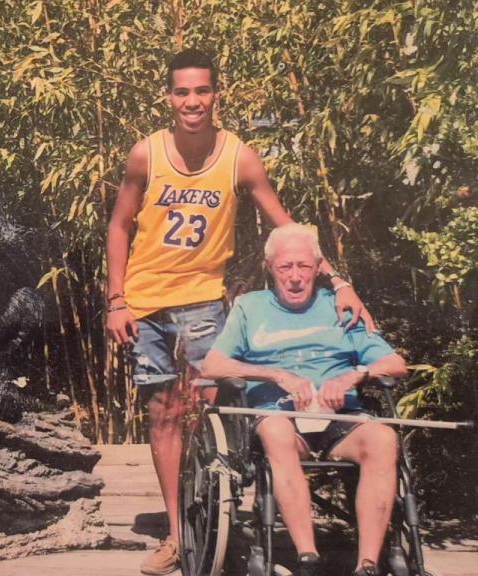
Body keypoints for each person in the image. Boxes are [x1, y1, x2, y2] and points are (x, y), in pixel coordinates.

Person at [104, 48, 375, 575]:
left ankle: (224, 515)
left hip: (204, 298)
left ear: (215, 95)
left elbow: (284, 226)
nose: (192, 101)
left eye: (201, 91)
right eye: (182, 92)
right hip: (144, 303)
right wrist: (115, 300)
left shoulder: (239, 156)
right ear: (168, 97)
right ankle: (179, 536)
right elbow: (119, 225)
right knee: (162, 415)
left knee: (213, 410)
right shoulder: (147, 154)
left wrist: (338, 280)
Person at [201, 223, 405, 576]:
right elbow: (213, 364)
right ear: (270, 268)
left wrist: (354, 375)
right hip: (280, 421)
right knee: (277, 432)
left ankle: (368, 564)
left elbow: (396, 363)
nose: (295, 277)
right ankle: (308, 557)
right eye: (285, 267)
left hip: (340, 421)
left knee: (384, 438)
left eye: (303, 267)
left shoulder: (342, 307)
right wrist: (275, 375)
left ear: (317, 267)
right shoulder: (250, 307)